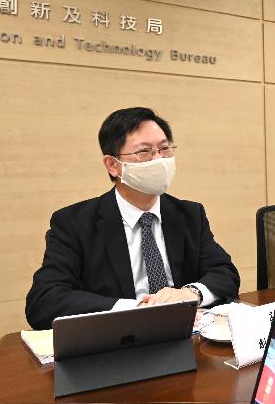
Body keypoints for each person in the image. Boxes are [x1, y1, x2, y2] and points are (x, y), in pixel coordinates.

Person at [25, 107, 240, 330]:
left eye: (165, 149)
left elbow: (225, 273)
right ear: (112, 165)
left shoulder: (189, 214)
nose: (159, 159)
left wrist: (190, 293)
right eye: (145, 152)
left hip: (188, 338)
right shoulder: (74, 223)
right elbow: (44, 301)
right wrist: (135, 308)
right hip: (117, 345)